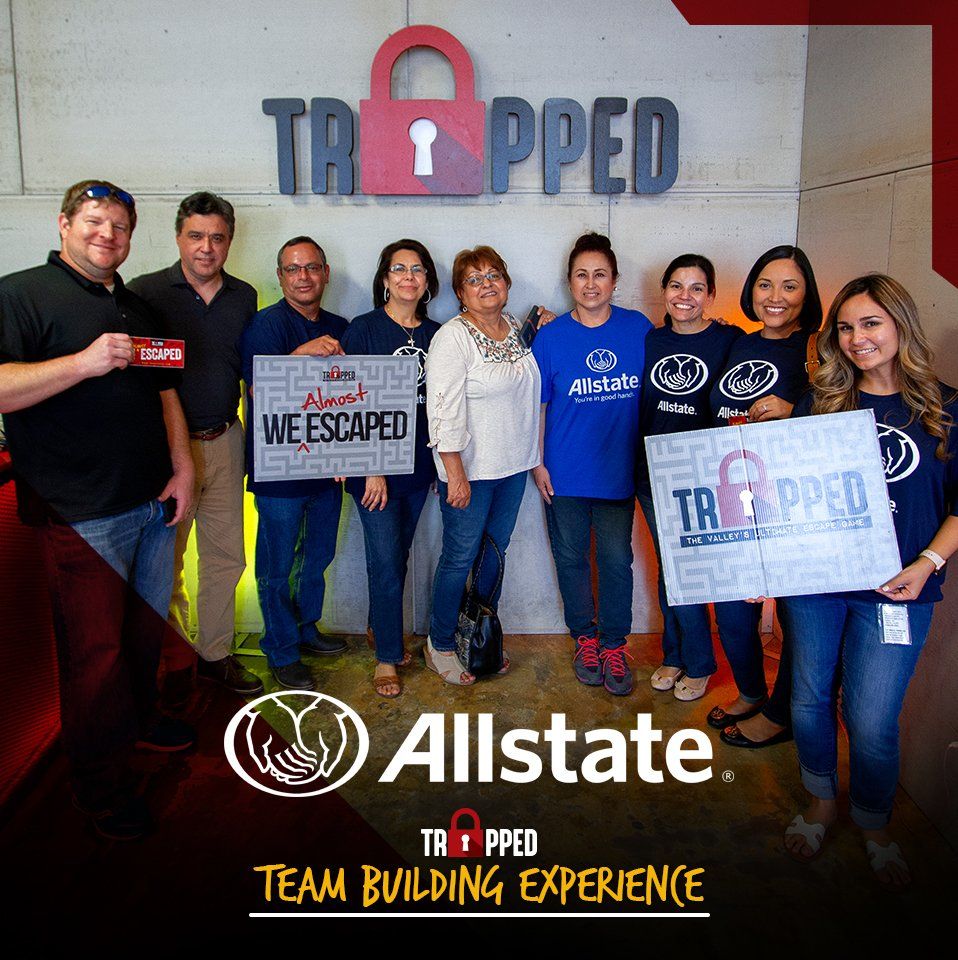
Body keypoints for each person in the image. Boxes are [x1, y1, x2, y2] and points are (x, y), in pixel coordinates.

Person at [0, 180, 196, 840]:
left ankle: (138, 729)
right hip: (81, 514)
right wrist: (82, 364)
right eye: (93, 221)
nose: (106, 234)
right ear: (63, 224)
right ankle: (99, 786)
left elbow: (166, 393)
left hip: (150, 504)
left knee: (142, 636)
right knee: (95, 658)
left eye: (118, 225)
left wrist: (184, 469)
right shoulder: (18, 293)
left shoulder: (139, 308)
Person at [781, 274, 957, 888]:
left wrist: (926, 564)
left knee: (873, 719)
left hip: (898, 592)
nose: (858, 339)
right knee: (808, 699)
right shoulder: (821, 402)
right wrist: (763, 566)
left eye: (871, 323)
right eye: (847, 327)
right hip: (815, 586)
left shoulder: (946, 408)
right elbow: (786, 503)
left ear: (901, 325)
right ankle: (821, 802)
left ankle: (874, 821)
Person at [129, 191, 262, 699]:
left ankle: (214, 654)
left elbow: (252, 370)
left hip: (225, 437)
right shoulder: (143, 294)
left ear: (229, 241)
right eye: (196, 236)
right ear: (178, 237)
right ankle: (172, 658)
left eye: (217, 237)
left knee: (226, 557)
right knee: (166, 560)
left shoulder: (245, 296)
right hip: (166, 448)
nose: (207, 247)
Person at [706, 244, 823, 748]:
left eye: (790, 286)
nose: (776, 297)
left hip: (792, 500)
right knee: (733, 611)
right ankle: (753, 692)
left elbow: (847, 422)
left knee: (800, 616)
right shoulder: (738, 342)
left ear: (807, 295)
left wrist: (796, 408)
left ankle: (782, 712)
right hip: (736, 494)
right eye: (766, 285)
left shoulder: (821, 350)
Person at [531, 233, 651, 696]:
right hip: (564, 472)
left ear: (615, 281)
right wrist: (538, 463)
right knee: (571, 558)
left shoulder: (639, 329)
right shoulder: (552, 336)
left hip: (619, 470)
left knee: (618, 559)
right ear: (569, 282)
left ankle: (615, 643)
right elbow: (537, 407)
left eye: (600, 274)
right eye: (582, 274)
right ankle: (585, 639)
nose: (591, 283)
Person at [424, 245, 540, 685]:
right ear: (460, 293)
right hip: (470, 472)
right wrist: (454, 471)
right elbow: (443, 408)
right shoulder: (453, 337)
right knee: (459, 558)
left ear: (507, 285)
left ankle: (478, 637)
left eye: (494, 275)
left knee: (494, 556)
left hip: (513, 468)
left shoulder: (513, 330)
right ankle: (439, 644)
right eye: (474, 279)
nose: (486, 283)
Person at [239, 236, 348, 691]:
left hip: (328, 470)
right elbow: (259, 389)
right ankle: (281, 649)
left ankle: (306, 630)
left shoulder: (343, 325)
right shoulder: (264, 326)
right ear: (280, 276)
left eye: (311, 268)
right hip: (279, 471)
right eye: (292, 269)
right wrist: (300, 357)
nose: (303, 277)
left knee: (317, 556)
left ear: (325, 273)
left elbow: (354, 399)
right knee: (276, 566)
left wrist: (356, 452)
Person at [637, 254, 743, 701]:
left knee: (692, 570)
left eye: (696, 287)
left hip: (703, 474)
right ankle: (675, 653)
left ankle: (700, 662)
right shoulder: (650, 340)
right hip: (651, 471)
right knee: (670, 568)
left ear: (711, 295)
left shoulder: (731, 340)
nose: (685, 296)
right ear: (664, 291)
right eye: (677, 286)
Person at [341, 239, 441, 698]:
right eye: (398, 268)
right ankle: (386, 656)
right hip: (373, 470)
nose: (408, 276)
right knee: (384, 560)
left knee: (396, 554)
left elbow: (445, 405)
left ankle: (375, 624)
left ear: (427, 281)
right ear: (384, 278)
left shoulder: (438, 334)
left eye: (417, 269)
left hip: (420, 466)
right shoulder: (362, 330)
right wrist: (370, 466)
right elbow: (350, 400)